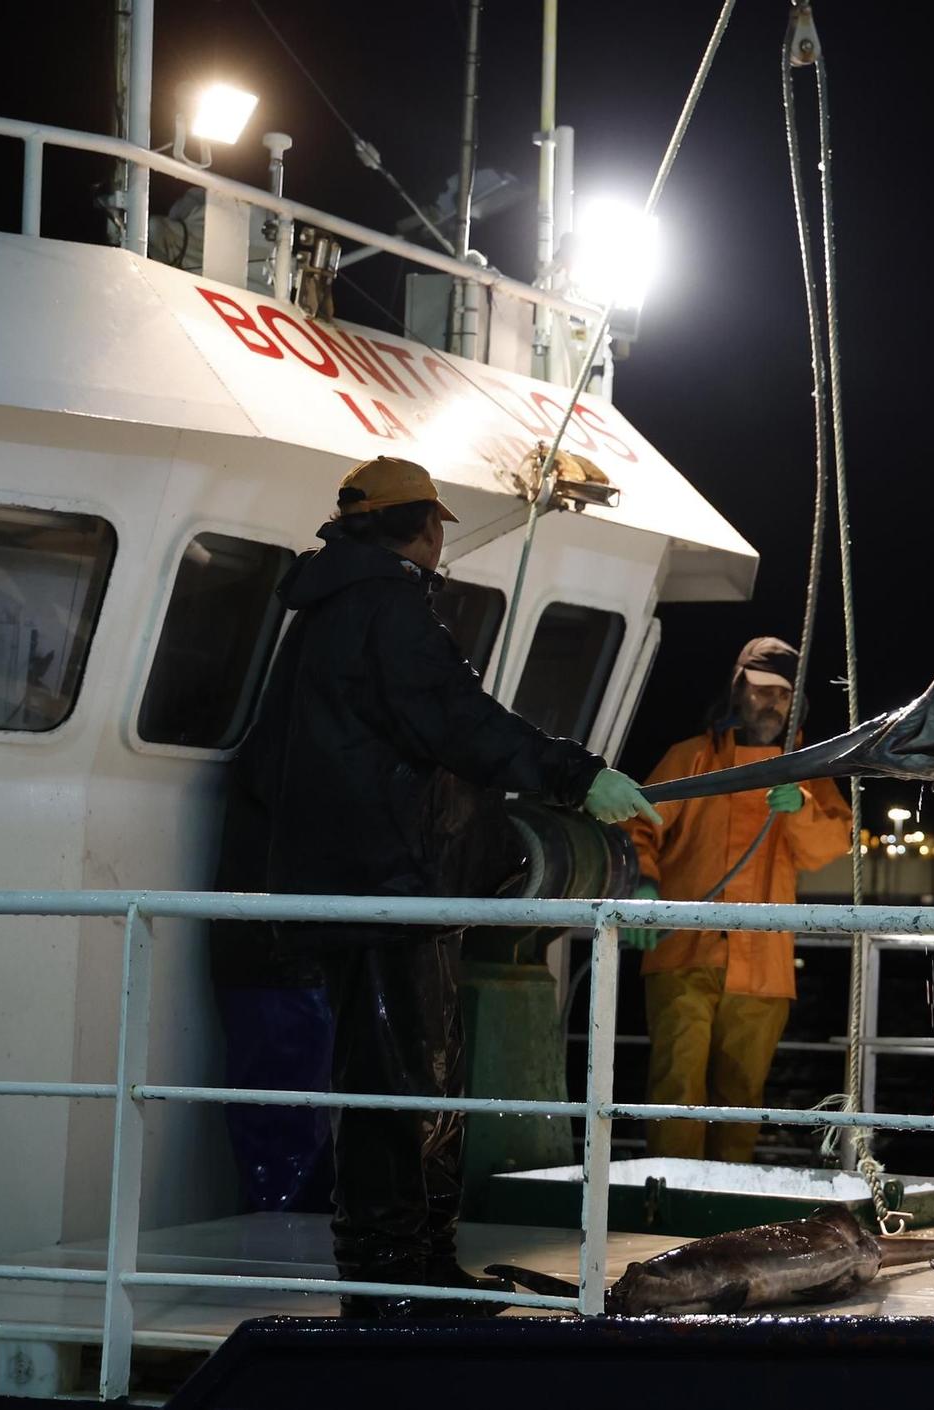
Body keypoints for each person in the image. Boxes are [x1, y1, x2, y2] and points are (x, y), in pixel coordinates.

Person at [228, 455, 659, 1318]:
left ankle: (415, 1266)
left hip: (368, 881)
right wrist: (577, 776)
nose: (439, 543)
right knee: (402, 1088)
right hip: (391, 888)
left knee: (410, 1082)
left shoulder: (326, 613)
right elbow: (458, 722)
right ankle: (392, 1280)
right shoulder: (386, 611)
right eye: (436, 526)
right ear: (420, 525)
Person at [621, 637, 854, 1162]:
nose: (771, 703)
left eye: (782, 694)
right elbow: (637, 827)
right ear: (737, 691)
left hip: (763, 967)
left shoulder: (809, 772)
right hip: (683, 950)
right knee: (675, 1089)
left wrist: (803, 808)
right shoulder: (691, 759)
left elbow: (831, 847)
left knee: (742, 1098)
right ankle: (670, 1199)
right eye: (762, 691)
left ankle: (722, 1218)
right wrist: (643, 884)